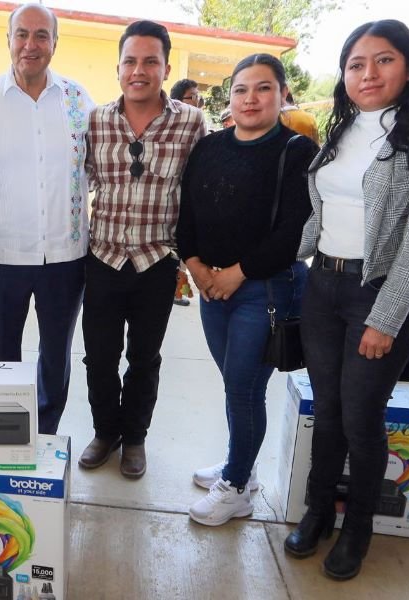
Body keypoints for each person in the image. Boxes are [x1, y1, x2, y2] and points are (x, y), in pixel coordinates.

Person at [284, 20, 409, 580]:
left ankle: (357, 525)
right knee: (328, 408)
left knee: (362, 417)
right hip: (324, 287)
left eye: (382, 60)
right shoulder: (344, 129)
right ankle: (318, 511)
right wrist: (287, 257)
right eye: (356, 64)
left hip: (378, 290)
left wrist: (385, 317)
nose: (368, 73)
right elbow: (326, 209)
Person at [178, 54, 318, 526]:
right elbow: (188, 215)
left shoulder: (297, 152)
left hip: (266, 289)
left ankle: (236, 486)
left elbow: (295, 231)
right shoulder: (209, 146)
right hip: (213, 286)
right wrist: (197, 266)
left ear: (283, 95)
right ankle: (243, 465)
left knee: (243, 386)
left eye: (263, 88)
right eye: (241, 89)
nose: (251, 98)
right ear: (230, 97)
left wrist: (237, 272)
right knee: (237, 385)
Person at [78, 20, 207, 479]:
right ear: (118, 69)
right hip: (104, 258)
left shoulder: (191, 123)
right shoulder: (95, 120)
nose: (139, 70)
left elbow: (199, 193)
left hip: (157, 261)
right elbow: (82, 183)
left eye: (150, 61)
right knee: (99, 356)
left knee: (145, 358)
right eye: (130, 61)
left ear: (166, 67)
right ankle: (104, 431)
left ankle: (134, 439)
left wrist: (193, 259)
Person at [0, 3, 94, 434]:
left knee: (56, 351)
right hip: (2, 254)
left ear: (55, 43)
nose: (31, 44)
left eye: (42, 35)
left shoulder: (78, 99)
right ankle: (6, 432)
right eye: (22, 34)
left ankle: (45, 431)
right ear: (8, 40)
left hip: (66, 254)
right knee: (1, 351)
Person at [169, 79, 204, 308]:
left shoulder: (197, 124)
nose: (199, 102)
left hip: (188, 206)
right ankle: (177, 291)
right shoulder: (171, 128)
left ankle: (178, 290)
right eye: (194, 97)